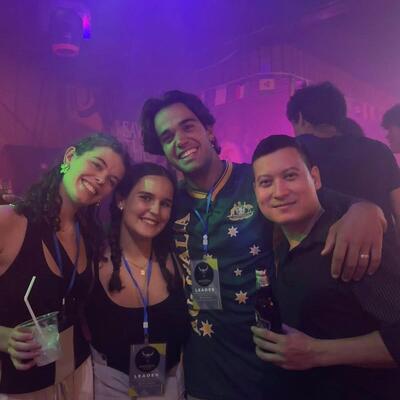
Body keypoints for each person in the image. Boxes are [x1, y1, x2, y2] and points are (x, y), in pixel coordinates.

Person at [140, 90, 386, 400]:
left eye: (188, 126)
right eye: (168, 136)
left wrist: (365, 209)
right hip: (203, 378)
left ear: (209, 129)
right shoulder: (169, 203)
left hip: (270, 371)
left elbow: (326, 202)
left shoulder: (258, 181)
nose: (180, 139)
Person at [252, 135, 400, 400]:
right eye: (266, 182)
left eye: (290, 176)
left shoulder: (352, 240)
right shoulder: (277, 240)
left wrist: (316, 352)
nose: (279, 192)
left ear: (315, 178)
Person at [0, 133, 128, 399]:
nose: (101, 180)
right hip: (22, 385)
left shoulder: (91, 235)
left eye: (112, 180)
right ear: (70, 157)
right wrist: (4, 337)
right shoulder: (9, 221)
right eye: (97, 164)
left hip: (78, 372)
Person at [85, 162, 189, 399]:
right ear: (121, 200)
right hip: (109, 388)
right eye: (146, 198)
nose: (155, 210)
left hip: (171, 388)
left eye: (165, 203)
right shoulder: (91, 260)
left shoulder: (178, 258)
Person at [287, 81, 400, 244]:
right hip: (380, 256)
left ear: (300, 118)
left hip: (314, 256)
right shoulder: (379, 151)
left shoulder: (291, 154)